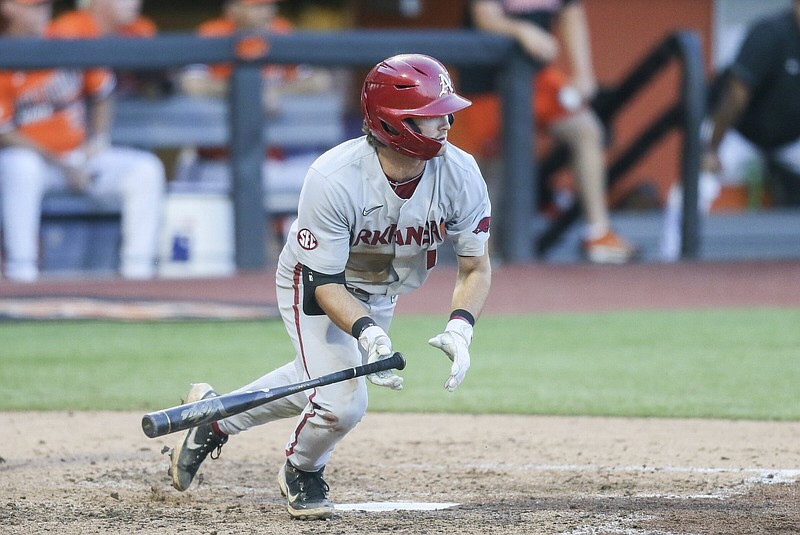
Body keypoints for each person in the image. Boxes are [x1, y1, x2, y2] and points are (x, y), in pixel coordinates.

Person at [167, 54, 492, 520]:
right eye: (431, 114)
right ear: (393, 122)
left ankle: (216, 418)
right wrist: (369, 334)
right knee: (342, 402)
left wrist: (462, 328)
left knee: (319, 378)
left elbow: (475, 266)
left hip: (381, 287)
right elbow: (325, 283)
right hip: (315, 282)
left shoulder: (461, 174)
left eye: (446, 111)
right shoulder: (333, 178)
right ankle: (302, 469)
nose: (446, 123)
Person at [452, 0, 637, 264]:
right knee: (490, 167)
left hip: (536, 75)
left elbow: (572, 13)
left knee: (586, 129)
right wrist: (521, 31)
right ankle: (481, 256)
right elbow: (486, 17)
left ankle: (598, 233)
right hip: (486, 82)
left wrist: (583, 73)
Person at [0, 0, 165, 282]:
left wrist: (98, 139)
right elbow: (4, 132)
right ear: (8, 9)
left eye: (44, 6)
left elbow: (103, 89)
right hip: (38, 163)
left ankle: (138, 271)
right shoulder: (4, 54)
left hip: (79, 157)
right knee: (17, 167)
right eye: (33, 7)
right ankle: (22, 270)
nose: (43, 12)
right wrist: (62, 165)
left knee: (145, 169)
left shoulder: (64, 42)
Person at [175, 0, 334, 240]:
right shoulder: (213, 34)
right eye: (258, 6)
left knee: (325, 179)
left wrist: (277, 91)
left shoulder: (279, 31)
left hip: (272, 158)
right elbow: (190, 83)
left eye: (269, 5)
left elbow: (320, 80)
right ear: (232, 10)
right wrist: (246, 92)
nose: (268, 12)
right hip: (215, 161)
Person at [702, 0, 800, 207]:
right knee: (701, 179)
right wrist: (711, 149)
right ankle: (678, 236)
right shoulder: (771, 34)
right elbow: (736, 95)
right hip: (742, 135)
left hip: (790, 141)